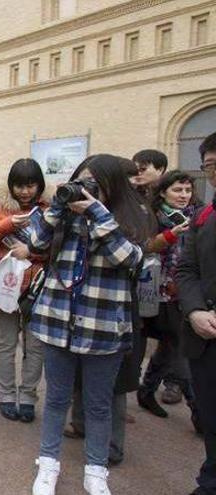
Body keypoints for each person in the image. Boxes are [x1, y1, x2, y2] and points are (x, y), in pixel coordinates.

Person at [29, 154, 150, 495]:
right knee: (55, 400)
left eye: (92, 184)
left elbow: (133, 263)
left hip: (102, 325)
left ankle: (96, 471)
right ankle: (48, 465)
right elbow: (35, 245)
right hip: (57, 320)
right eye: (79, 181)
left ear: (111, 186)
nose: (84, 190)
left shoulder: (130, 217)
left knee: (98, 404)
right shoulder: (63, 217)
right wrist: (57, 209)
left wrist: (98, 214)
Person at [0, 159, 50, 423]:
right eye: (19, 185)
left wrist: (31, 252)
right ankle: (6, 395)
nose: (25, 191)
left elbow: (60, 244)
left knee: (35, 346)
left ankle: (29, 396)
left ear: (39, 185)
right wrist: (9, 224)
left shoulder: (51, 207)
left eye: (30, 185)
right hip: (6, 284)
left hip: (38, 285)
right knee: (6, 343)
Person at [137, 170, 199, 419]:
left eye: (187, 190)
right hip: (156, 294)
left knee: (170, 346)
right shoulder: (153, 217)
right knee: (181, 349)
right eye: (177, 190)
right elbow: (143, 247)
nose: (184, 195)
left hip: (185, 293)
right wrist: (170, 235)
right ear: (163, 192)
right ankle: (200, 414)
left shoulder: (197, 216)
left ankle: (146, 390)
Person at [176, 131, 216, 495]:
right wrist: (194, 311)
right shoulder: (204, 216)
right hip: (205, 334)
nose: (214, 173)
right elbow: (186, 269)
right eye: (210, 167)